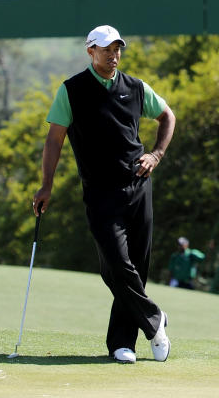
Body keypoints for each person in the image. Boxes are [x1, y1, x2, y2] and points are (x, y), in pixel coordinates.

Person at [32, 24, 176, 365]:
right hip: (100, 191)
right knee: (114, 264)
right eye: (107, 49)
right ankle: (155, 319)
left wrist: (156, 154)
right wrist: (46, 185)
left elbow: (167, 116)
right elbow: (54, 140)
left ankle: (122, 344)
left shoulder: (136, 88)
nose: (114, 55)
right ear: (90, 51)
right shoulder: (72, 90)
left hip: (138, 187)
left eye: (118, 49)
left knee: (136, 268)